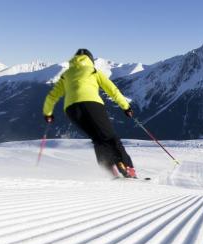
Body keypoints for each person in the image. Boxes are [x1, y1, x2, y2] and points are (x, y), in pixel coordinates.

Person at [42, 48, 137, 178]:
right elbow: (112, 90)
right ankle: (128, 169)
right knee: (110, 138)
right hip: (92, 105)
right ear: (90, 60)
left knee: (98, 140)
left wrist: (48, 114)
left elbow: (51, 97)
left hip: (71, 110)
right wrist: (126, 107)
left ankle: (109, 171)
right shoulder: (93, 71)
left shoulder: (66, 74)